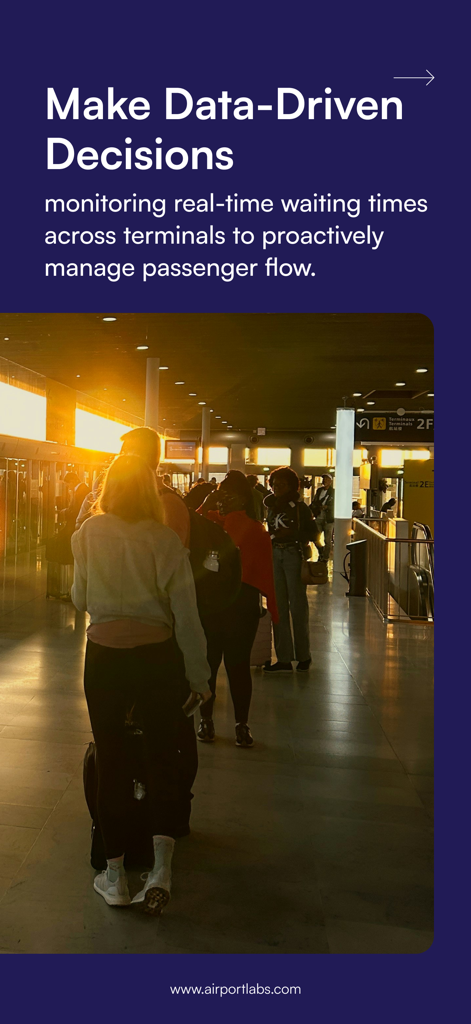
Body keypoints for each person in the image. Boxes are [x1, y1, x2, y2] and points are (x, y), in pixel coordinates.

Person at [71, 455, 211, 914]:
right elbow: (186, 615)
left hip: (105, 658)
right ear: (151, 491)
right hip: (156, 659)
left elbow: (80, 598)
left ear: (108, 487)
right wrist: (199, 677)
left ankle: (114, 876)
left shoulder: (88, 533)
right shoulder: (164, 539)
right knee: (162, 757)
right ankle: (161, 868)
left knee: (111, 759)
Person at [197, 471, 278, 747]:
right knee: (222, 665)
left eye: (226, 495)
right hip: (227, 605)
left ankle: (227, 722)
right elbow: (187, 526)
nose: (221, 501)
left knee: (226, 664)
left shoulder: (245, 529)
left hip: (228, 604)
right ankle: (220, 722)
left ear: (242, 499)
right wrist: (206, 503)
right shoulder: (214, 524)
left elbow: (262, 570)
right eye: (220, 495)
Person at [264, 466, 314, 673]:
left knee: (298, 606)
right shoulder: (272, 507)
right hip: (275, 554)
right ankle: (283, 657)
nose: (277, 488)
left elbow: (313, 532)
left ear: (292, 486)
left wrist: (293, 536)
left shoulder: (300, 508)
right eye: (274, 485)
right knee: (278, 606)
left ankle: (304, 656)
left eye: (281, 485)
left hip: (294, 553)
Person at [310, 473, 335, 562]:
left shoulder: (334, 492)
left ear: (331, 481)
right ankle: (321, 551)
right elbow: (314, 501)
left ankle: (325, 557)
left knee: (327, 539)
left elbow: (336, 504)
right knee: (315, 536)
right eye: (324, 479)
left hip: (328, 518)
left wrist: (328, 507)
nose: (325, 481)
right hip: (319, 515)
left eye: (327, 479)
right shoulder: (319, 490)